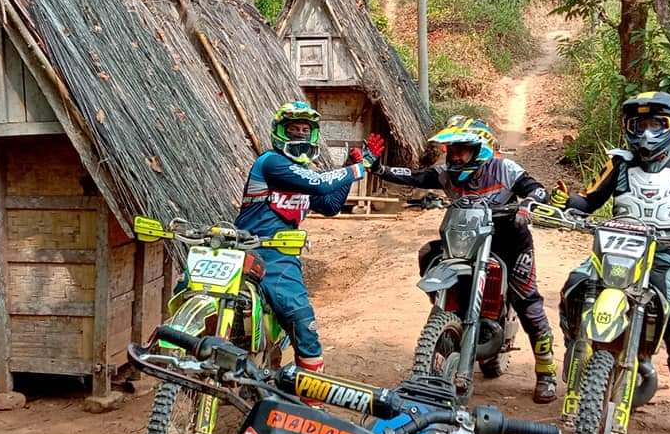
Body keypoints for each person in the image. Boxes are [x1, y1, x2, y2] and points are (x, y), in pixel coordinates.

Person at [550, 91, 670, 434]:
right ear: (628, 128)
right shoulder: (618, 163)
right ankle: (576, 345)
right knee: (575, 284)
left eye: (655, 124)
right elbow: (589, 199)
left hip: (663, 253)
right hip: (614, 249)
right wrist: (564, 204)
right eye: (638, 124)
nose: (646, 133)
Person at [368, 116, 558, 403]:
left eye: (462, 149)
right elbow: (414, 176)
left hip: (509, 243)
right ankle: (449, 323)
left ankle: (546, 372)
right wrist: (377, 167)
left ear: (479, 149)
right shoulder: (446, 173)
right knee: (428, 254)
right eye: (452, 149)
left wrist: (527, 205)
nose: (455, 155)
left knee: (528, 302)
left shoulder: (504, 168)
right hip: (466, 242)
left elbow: (538, 189)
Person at [234, 101, 384, 376]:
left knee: (302, 320)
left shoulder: (304, 175)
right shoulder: (271, 163)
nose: (300, 135)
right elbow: (322, 184)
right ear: (281, 132)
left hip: (280, 257)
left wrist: (349, 165)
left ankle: (310, 397)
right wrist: (359, 168)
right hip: (246, 247)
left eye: (305, 129)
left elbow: (329, 205)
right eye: (293, 129)